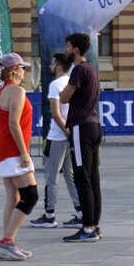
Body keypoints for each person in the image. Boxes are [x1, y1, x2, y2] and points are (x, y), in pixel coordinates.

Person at [0, 54, 38, 260]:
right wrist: (24, 153)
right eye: (23, 68)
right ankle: (6, 242)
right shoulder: (17, 91)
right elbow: (13, 123)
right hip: (13, 152)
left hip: (3, 151)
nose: (25, 71)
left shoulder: (3, 90)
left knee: (14, 198)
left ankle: (8, 241)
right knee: (30, 196)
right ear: (15, 70)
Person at [59, 32, 103, 243]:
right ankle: (94, 224)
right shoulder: (93, 69)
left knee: (81, 177)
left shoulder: (78, 69)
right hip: (94, 125)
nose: (67, 50)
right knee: (93, 178)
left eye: (68, 46)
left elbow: (64, 97)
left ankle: (87, 226)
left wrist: (64, 91)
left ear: (76, 49)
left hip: (80, 126)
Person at [30, 53, 81, 229]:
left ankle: (49, 215)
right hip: (69, 135)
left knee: (51, 177)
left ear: (58, 66)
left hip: (57, 136)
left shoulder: (55, 85)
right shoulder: (71, 82)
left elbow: (55, 113)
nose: (50, 65)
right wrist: (70, 132)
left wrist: (65, 131)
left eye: (52, 63)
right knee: (70, 176)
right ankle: (80, 212)